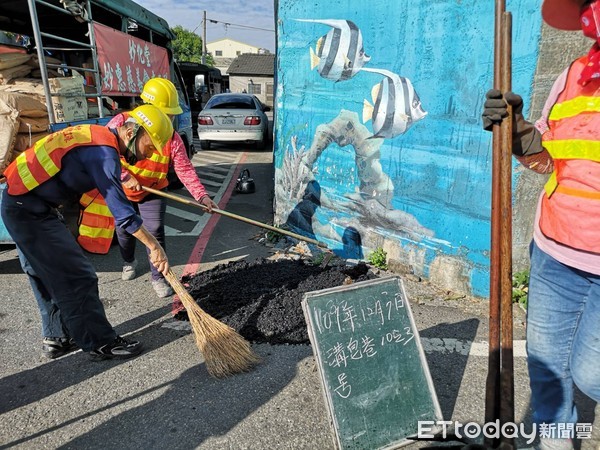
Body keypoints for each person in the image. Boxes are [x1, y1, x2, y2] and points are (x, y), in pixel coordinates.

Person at [482, 0, 600, 448]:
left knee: (592, 373)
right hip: (556, 250)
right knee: (548, 367)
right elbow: (549, 159)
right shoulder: (573, 74)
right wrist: (517, 133)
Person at [1, 105, 174, 360]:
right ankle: (101, 342)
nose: (149, 155)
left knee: (40, 272)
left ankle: (57, 337)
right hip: (30, 210)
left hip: (18, 201)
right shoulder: (104, 154)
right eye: (149, 147)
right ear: (131, 132)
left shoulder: (96, 135)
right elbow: (124, 214)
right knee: (78, 277)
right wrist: (154, 246)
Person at [105, 78, 217, 299]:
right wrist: (125, 176)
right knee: (124, 230)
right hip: (122, 190)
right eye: (165, 113)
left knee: (155, 230)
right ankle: (129, 261)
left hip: (152, 191)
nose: (169, 119)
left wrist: (202, 196)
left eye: (171, 114)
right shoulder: (121, 124)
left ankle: (158, 276)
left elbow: (184, 169)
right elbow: (104, 153)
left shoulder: (173, 139)